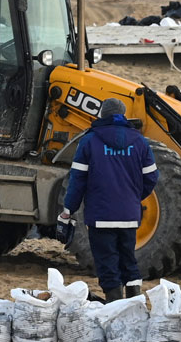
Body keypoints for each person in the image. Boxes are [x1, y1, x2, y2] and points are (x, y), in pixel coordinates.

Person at [57, 97, 157, 301]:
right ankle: (133, 302)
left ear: (101, 114)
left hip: (100, 216)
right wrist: (133, 197)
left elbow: (77, 181)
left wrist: (68, 209)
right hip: (129, 216)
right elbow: (152, 177)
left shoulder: (89, 141)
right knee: (129, 260)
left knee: (107, 261)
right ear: (123, 115)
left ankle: (114, 304)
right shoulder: (139, 141)